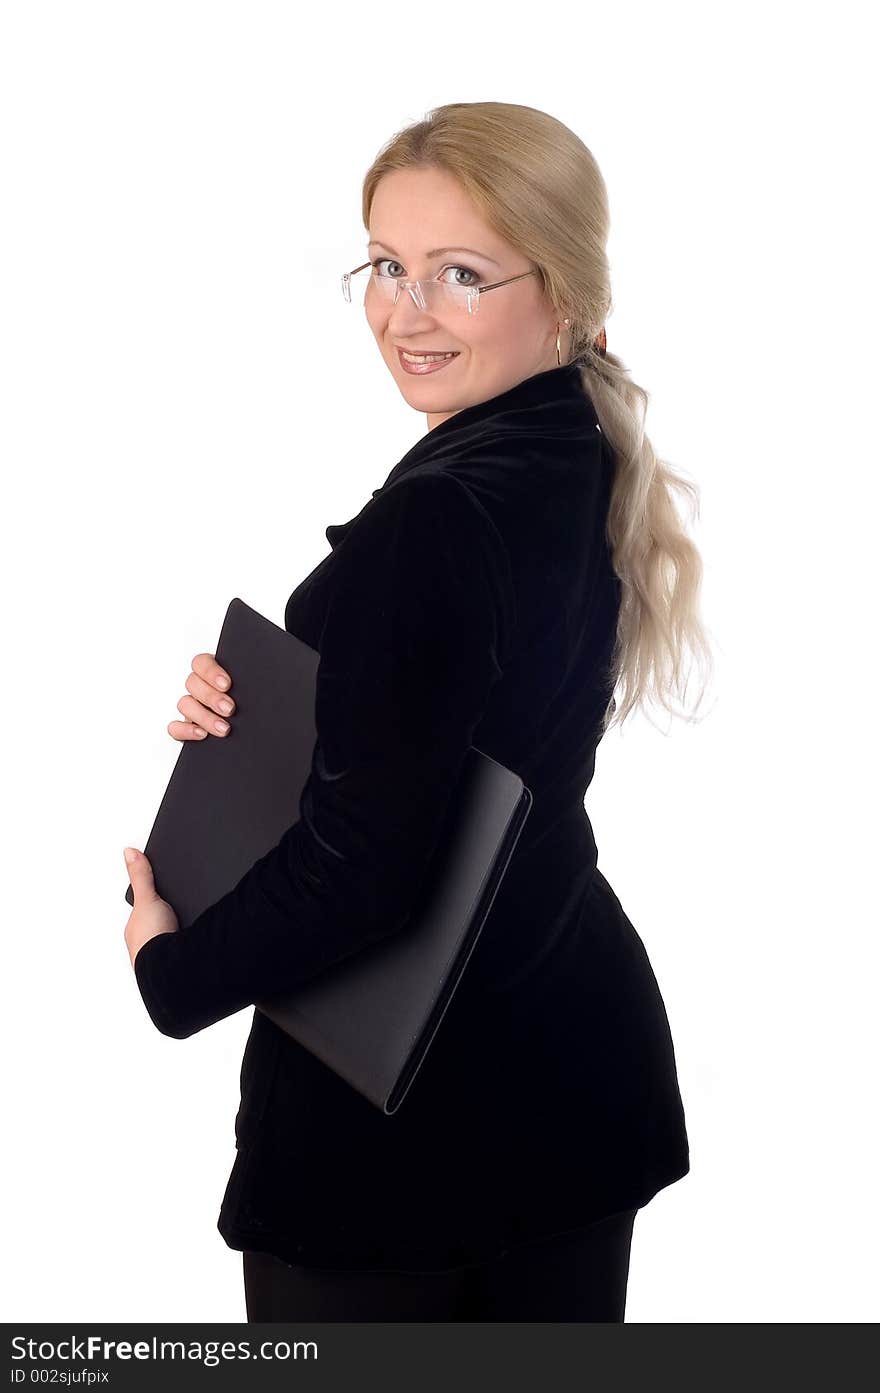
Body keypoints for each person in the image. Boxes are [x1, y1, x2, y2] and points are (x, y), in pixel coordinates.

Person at [124, 101, 714, 1322]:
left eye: (459, 274)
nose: (406, 311)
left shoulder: (438, 516)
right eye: (388, 265)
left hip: (400, 1136)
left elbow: (362, 871)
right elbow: (461, 735)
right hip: (570, 1074)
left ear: (559, 293)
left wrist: (172, 968)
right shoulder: (571, 444)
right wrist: (276, 716)